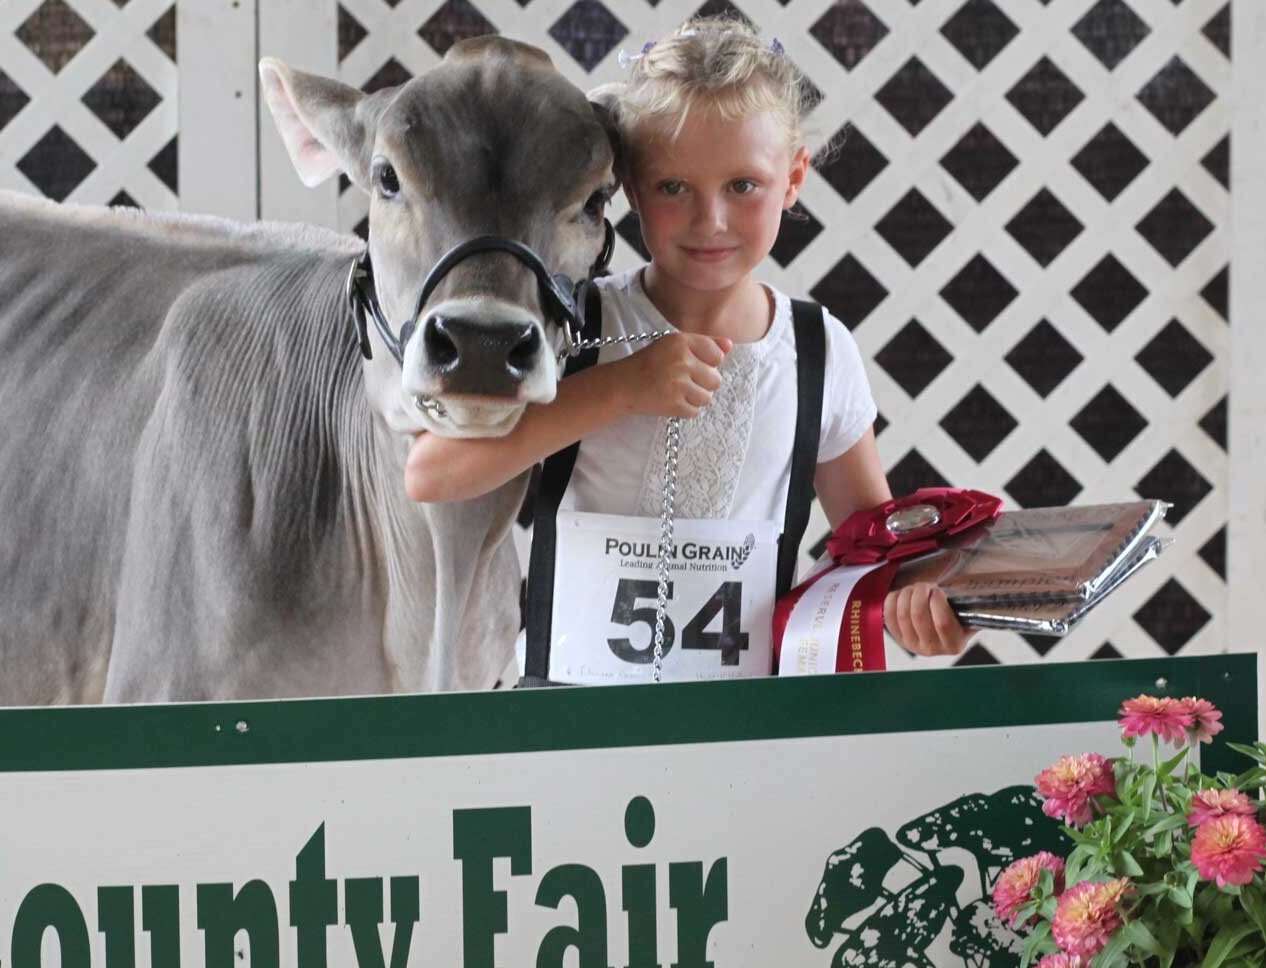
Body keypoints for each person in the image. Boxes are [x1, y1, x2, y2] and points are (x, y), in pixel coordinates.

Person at [404, 16, 970, 680]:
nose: (712, 221)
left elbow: (871, 551)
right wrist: (619, 388)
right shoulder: (577, 324)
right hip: (565, 720)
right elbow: (432, 474)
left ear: (792, 180)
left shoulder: (818, 350)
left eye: (743, 186)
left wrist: (925, 608)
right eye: (674, 188)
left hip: (745, 732)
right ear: (633, 189)